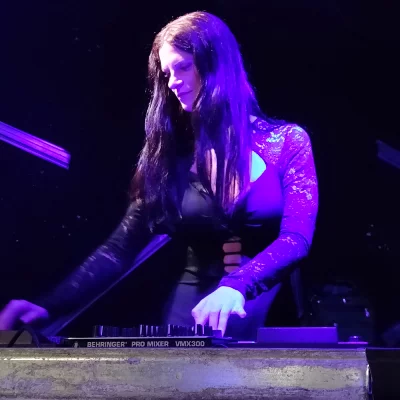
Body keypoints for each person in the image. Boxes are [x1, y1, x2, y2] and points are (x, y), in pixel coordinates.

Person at [0, 11, 318, 340]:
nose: (173, 82)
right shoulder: (170, 155)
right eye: (166, 73)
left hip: (266, 299)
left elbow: (296, 239)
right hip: (193, 304)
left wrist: (238, 285)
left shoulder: (287, 142)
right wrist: (51, 304)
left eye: (183, 67)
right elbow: (120, 248)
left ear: (216, 64)